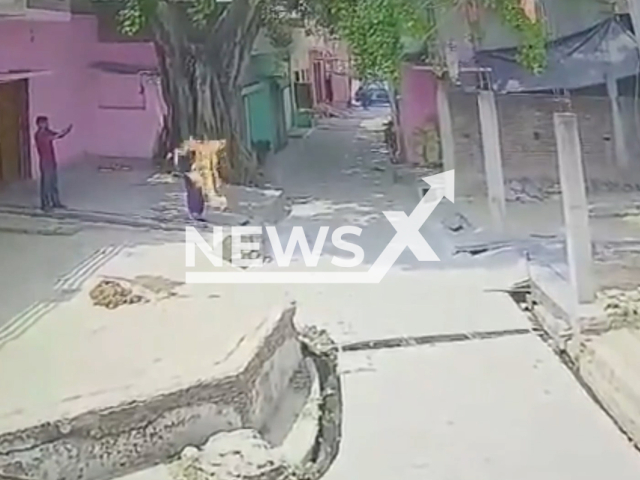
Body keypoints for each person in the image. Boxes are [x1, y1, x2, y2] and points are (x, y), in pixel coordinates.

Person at [34, 116, 72, 212]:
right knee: (46, 184)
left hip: (51, 160)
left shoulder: (47, 132)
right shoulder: (39, 135)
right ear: (39, 124)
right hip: (45, 161)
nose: (47, 124)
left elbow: (57, 135)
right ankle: (45, 205)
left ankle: (56, 202)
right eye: (45, 123)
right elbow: (53, 137)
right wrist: (61, 133)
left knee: (53, 182)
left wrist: (65, 132)